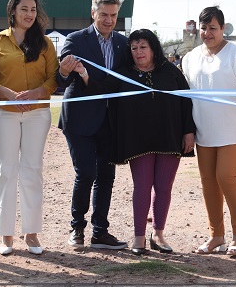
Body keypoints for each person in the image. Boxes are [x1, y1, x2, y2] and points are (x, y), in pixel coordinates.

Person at [71, 28, 196, 255]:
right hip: (138, 141)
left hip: (169, 137)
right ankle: (139, 237)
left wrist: (189, 131)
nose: (138, 52)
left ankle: (158, 234)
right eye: (134, 47)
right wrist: (84, 74)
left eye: (143, 47)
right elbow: (102, 91)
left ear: (153, 48)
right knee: (142, 187)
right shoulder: (123, 73)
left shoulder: (171, 71)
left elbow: (186, 101)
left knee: (164, 187)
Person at [182, 6, 236, 257]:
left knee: (226, 177)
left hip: (235, 129)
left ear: (223, 28)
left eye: (213, 28)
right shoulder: (190, 57)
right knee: (209, 182)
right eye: (204, 28)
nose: (207, 33)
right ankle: (215, 236)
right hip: (204, 129)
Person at [0, 0, 59, 256]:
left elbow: (53, 79)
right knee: (6, 170)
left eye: (33, 10)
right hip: (4, 114)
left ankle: (32, 234)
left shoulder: (46, 43)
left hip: (38, 113)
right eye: (24, 9)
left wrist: (37, 93)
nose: (29, 14)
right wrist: (10, 96)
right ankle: (6, 235)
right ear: (13, 10)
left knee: (32, 170)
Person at [57, 0, 129, 250]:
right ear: (93, 13)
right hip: (80, 121)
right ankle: (77, 228)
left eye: (113, 15)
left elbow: (120, 82)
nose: (109, 20)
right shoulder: (75, 40)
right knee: (86, 172)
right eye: (104, 15)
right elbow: (59, 79)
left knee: (107, 176)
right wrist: (66, 73)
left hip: (110, 120)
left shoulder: (123, 43)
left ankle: (100, 232)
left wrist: (89, 78)